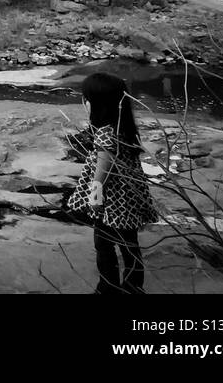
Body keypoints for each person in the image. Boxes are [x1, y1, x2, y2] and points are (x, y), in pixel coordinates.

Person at [67, 71, 159, 293]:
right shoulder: (124, 128)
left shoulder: (105, 135)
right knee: (130, 245)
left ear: (98, 105)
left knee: (104, 246)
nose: (84, 103)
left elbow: (103, 169)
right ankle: (134, 286)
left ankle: (107, 288)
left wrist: (95, 198)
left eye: (86, 99)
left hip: (111, 203)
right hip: (128, 200)